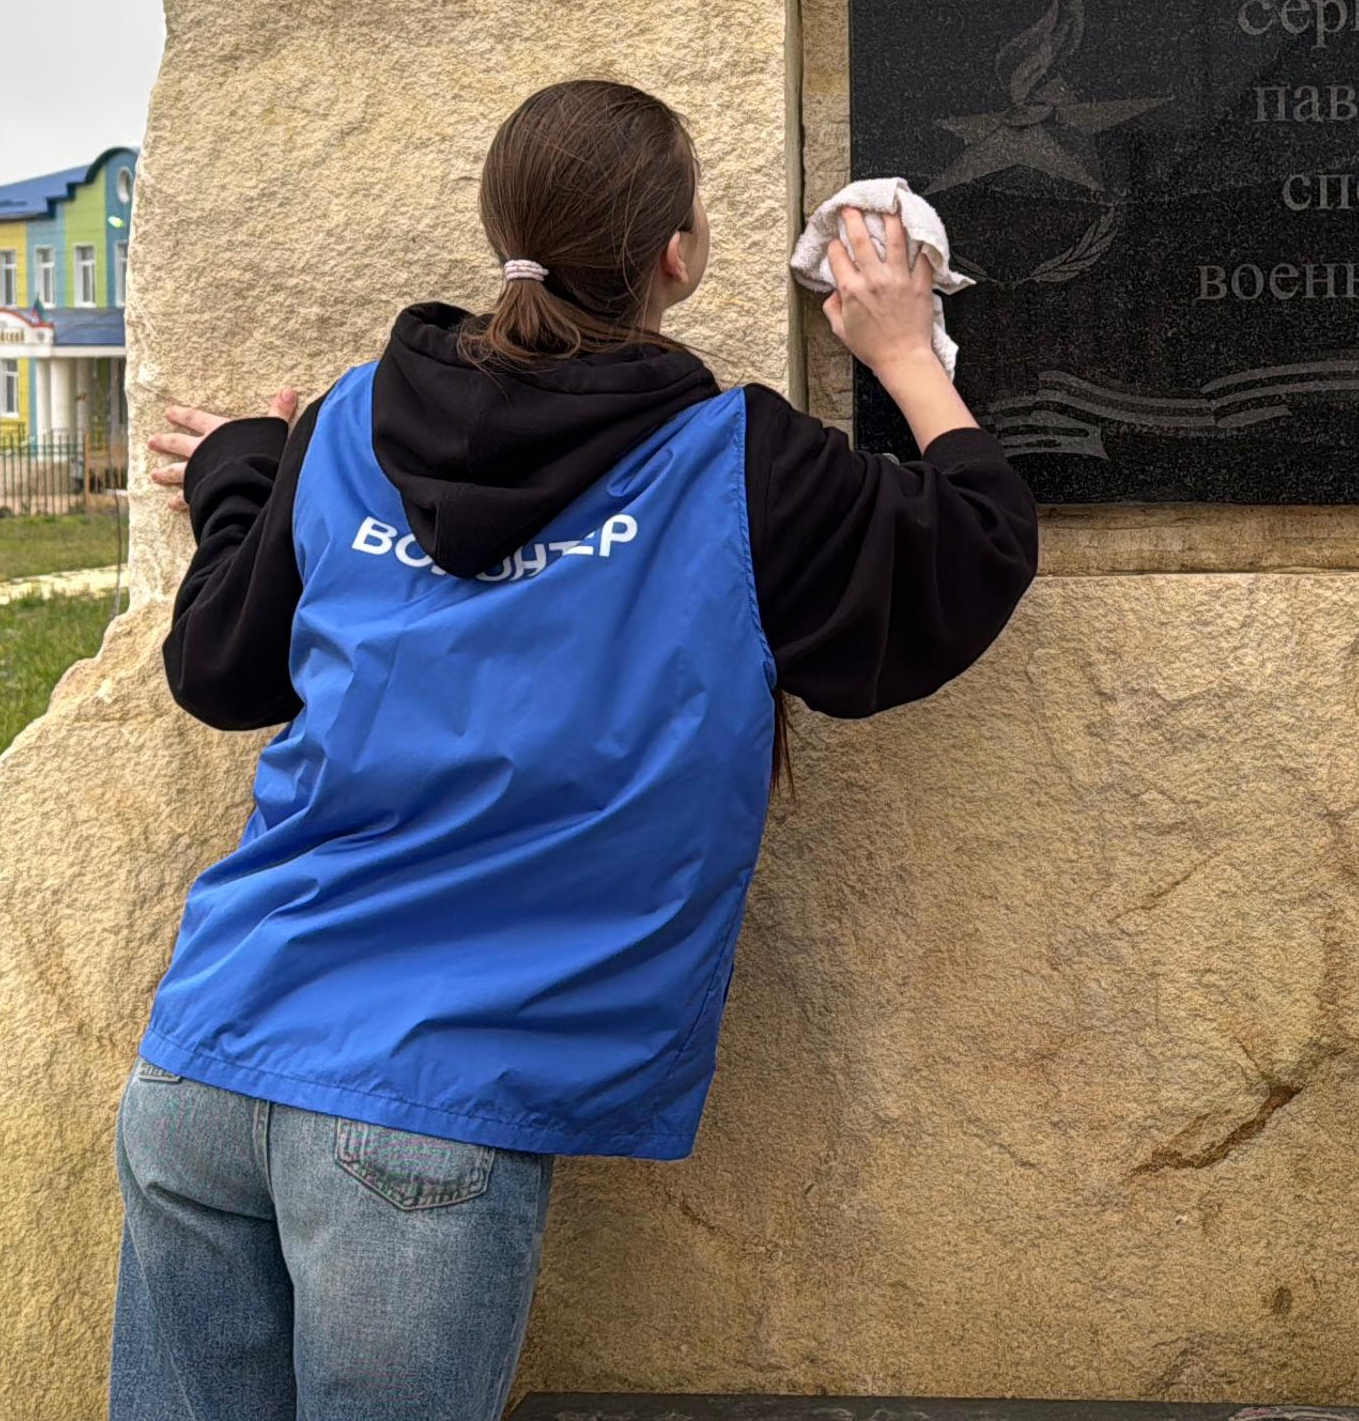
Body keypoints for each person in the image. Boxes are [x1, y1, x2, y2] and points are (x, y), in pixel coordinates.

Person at [113, 78, 1036, 1421]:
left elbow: (218, 668)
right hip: (421, 1114)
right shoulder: (739, 467)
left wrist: (249, 469)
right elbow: (971, 553)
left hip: (204, 1061)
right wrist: (904, 356)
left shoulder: (355, 423)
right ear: (679, 254)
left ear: (505, 233)